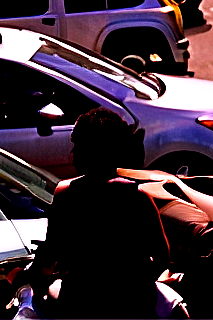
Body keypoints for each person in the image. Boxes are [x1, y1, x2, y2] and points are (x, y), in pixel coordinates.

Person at [31, 109, 170, 318]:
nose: (73, 153)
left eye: (78, 145)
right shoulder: (139, 198)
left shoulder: (66, 195)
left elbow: (48, 258)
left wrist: (37, 284)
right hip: (132, 306)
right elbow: (162, 258)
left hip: (80, 305)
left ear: (96, 150)